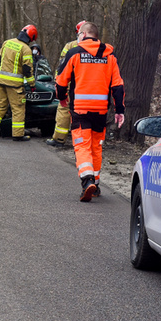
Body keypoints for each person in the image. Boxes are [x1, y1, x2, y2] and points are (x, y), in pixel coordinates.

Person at [55, 21, 125, 202]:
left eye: (79, 35)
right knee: (96, 146)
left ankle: (87, 181)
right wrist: (119, 110)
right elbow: (117, 86)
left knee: (82, 145)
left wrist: (61, 97)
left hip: (80, 110)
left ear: (85, 35)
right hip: (101, 112)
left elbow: (61, 81)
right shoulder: (109, 55)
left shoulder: (75, 53)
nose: (78, 38)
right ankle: (96, 184)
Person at [0, 24, 38, 141]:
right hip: (15, 85)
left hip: (0, 81)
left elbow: (0, 59)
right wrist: (32, 85)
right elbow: (27, 70)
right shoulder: (26, 49)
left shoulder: (7, 42)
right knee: (18, 108)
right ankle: (17, 135)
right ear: (31, 38)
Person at [45, 20, 86, 148]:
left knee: (64, 110)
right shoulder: (99, 47)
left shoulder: (70, 46)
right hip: (90, 88)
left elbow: (62, 67)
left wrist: (59, 83)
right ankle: (83, 142)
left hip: (70, 85)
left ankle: (59, 139)